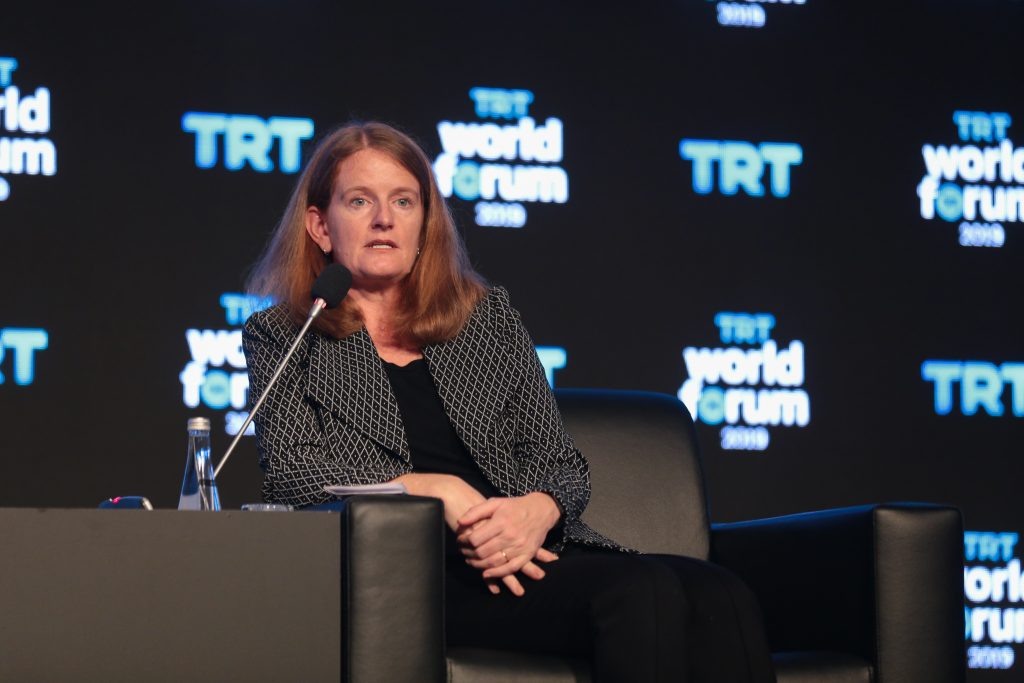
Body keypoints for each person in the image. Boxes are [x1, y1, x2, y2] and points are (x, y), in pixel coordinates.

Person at [242, 121, 775, 682]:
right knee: (640, 591)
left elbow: (561, 462)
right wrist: (430, 488)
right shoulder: (286, 334)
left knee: (720, 593)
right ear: (320, 226)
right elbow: (293, 476)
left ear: (424, 223)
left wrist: (538, 510)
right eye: (359, 201)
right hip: (416, 576)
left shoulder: (485, 319)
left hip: (525, 553)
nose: (384, 219)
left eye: (403, 201)